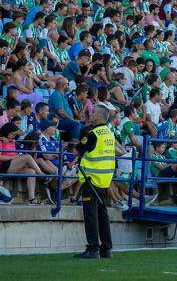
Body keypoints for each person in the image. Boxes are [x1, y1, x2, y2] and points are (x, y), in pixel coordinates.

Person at [74, 104, 115, 259]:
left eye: (92, 113)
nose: (90, 115)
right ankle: (106, 248)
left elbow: (78, 150)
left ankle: (93, 249)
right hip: (104, 180)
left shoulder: (93, 134)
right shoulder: (109, 133)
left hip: (91, 180)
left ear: (99, 116)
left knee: (91, 215)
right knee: (103, 214)